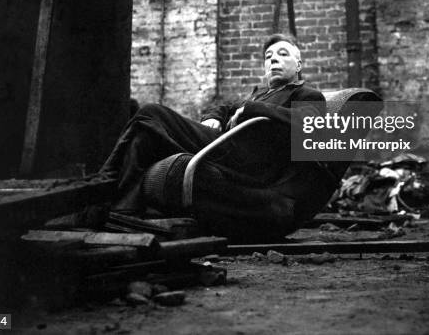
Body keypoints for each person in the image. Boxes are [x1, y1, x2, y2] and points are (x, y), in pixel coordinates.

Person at [101, 34, 345, 241]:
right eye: (268, 57)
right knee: (146, 136)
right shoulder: (258, 94)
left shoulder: (307, 94)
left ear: (299, 65)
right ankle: (121, 210)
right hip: (223, 150)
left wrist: (252, 109)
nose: (274, 60)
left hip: (251, 166)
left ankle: (101, 183)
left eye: (283, 54)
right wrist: (214, 116)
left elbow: (309, 124)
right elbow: (225, 106)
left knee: (151, 112)